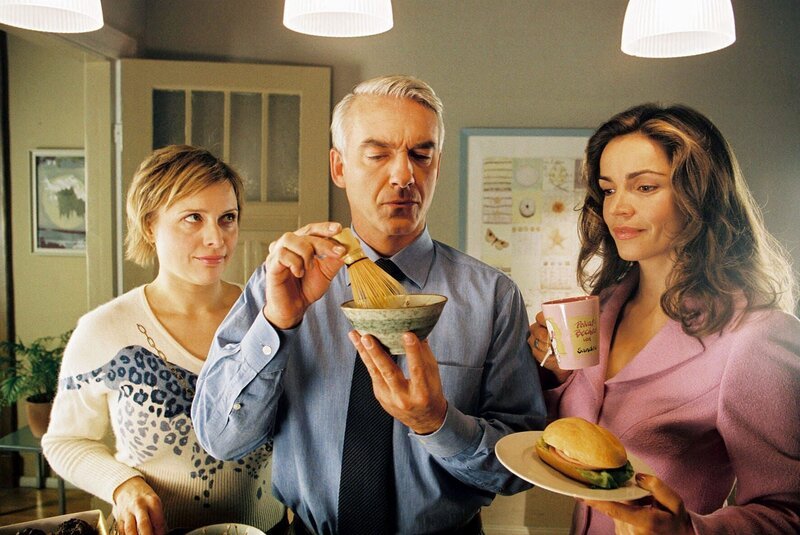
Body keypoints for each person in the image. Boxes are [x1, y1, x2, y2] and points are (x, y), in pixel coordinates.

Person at [192, 75, 546, 534]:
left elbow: (519, 467)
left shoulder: (493, 297)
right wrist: (277, 324)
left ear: (437, 164)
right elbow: (222, 440)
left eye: (422, 154)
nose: (403, 175)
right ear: (339, 168)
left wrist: (438, 423)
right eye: (378, 155)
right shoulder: (280, 284)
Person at [528, 103, 800, 534]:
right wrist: (552, 375)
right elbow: (575, 446)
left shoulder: (755, 339)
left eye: (645, 187)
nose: (617, 208)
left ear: (699, 197)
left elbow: (789, 512)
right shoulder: (597, 316)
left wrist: (688, 531)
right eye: (609, 189)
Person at [42, 145, 287, 535]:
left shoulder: (271, 321)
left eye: (227, 218)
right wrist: (123, 485)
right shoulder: (104, 331)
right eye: (193, 218)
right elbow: (65, 441)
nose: (216, 239)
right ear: (149, 225)